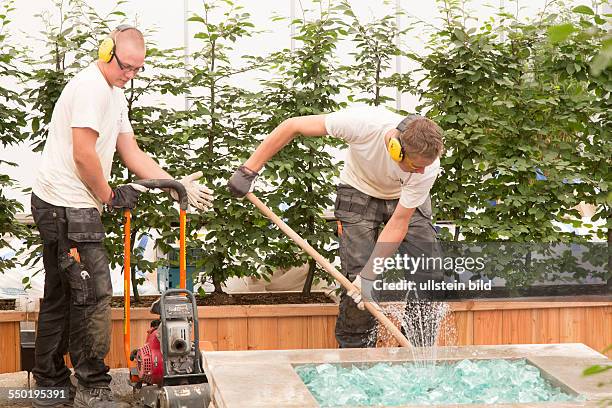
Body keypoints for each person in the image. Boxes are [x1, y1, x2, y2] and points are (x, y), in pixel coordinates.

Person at [30, 25, 213, 408]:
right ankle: (92, 389)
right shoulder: (91, 88)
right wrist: (109, 195)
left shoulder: (113, 93)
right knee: (93, 296)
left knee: (62, 296)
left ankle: (50, 385)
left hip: (62, 203)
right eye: (126, 67)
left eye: (137, 70)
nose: (130, 75)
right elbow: (84, 154)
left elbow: (129, 150)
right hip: (67, 206)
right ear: (106, 51)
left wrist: (169, 182)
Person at [228, 105, 444, 348]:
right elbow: (293, 125)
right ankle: (354, 355)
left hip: (403, 201)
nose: (422, 171)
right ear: (396, 149)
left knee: (430, 276)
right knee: (358, 284)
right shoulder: (362, 123)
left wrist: (371, 274)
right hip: (359, 193)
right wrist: (248, 171)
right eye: (416, 165)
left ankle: (419, 347)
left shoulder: (428, 167)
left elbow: (398, 224)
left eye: (426, 165)